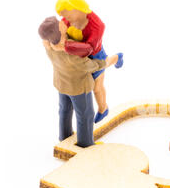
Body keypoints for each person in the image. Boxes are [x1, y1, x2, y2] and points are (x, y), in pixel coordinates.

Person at [38, 16, 119, 147]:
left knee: (64, 110)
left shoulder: (49, 47)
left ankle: (64, 137)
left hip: (61, 85)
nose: (62, 22)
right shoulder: (72, 52)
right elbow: (90, 66)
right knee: (85, 114)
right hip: (79, 88)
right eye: (59, 23)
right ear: (59, 31)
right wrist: (105, 62)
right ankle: (86, 144)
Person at [55, 0, 123, 123]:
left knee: (97, 87)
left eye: (67, 15)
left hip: (94, 56)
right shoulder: (67, 20)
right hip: (77, 58)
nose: (65, 19)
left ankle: (103, 109)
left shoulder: (97, 25)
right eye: (63, 16)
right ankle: (115, 58)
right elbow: (61, 30)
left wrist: (65, 46)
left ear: (76, 8)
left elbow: (89, 48)